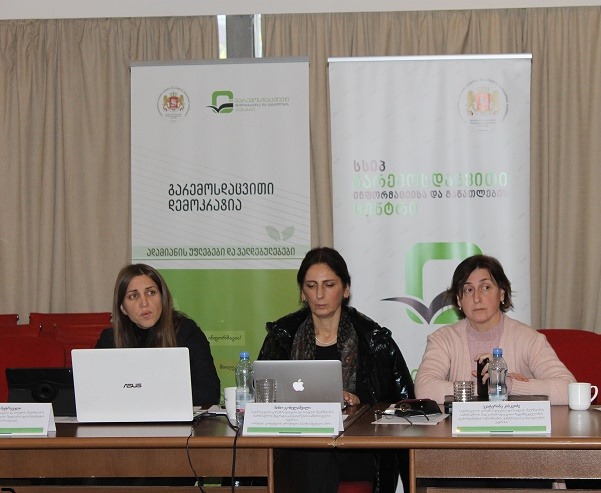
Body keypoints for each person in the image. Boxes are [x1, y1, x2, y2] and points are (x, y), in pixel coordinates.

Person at [259, 247, 415, 493]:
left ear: (346, 289)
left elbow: (403, 406)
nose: (320, 294)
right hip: (297, 446)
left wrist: (358, 404)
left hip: (355, 450)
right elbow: (261, 397)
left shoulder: (373, 341)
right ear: (302, 292)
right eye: (311, 286)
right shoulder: (282, 338)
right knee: (308, 453)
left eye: (329, 285)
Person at [415, 254, 575, 405]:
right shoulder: (443, 339)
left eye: (485, 287)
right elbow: (424, 389)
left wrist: (509, 385)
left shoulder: (529, 339)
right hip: (461, 426)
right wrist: (489, 387)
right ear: (458, 300)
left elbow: (568, 390)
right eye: (468, 290)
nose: (476, 298)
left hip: (516, 425)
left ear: (502, 294)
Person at [96, 263, 220, 406]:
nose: (144, 303)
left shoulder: (186, 331)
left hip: (175, 419)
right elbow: (88, 393)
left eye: (151, 293)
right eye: (133, 296)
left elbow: (209, 392)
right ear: (123, 308)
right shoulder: (110, 339)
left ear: (162, 297)